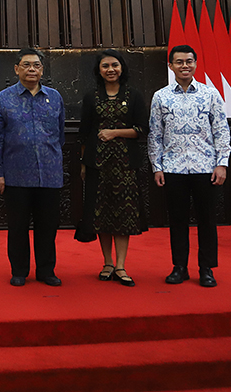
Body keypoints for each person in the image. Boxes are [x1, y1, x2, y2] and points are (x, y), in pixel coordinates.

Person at [149, 44, 231, 288]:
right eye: (179, 62)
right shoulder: (160, 96)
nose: (185, 66)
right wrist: (157, 166)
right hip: (173, 168)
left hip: (205, 167)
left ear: (195, 64)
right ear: (171, 65)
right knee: (177, 220)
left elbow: (221, 130)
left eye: (189, 61)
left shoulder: (210, 94)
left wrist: (222, 164)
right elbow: (155, 134)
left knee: (207, 220)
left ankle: (206, 268)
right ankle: (179, 267)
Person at [0, 48, 65, 287]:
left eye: (36, 65)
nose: (32, 69)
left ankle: (46, 270)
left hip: (49, 174)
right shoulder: (3, 98)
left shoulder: (55, 97)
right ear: (16, 69)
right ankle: (19, 270)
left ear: (42, 70)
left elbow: (60, 135)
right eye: (26, 65)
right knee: (18, 227)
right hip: (15, 174)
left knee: (48, 227)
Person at [76, 49, 148, 287]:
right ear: (99, 70)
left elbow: (142, 130)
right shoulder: (91, 96)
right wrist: (85, 164)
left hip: (125, 165)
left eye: (114, 65)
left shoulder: (134, 95)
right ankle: (107, 262)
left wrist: (115, 132)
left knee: (124, 214)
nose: (110, 70)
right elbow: (84, 133)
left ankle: (121, 264)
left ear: (122, 68)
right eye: (105, 66)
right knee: (101, 214)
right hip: (98, 163)